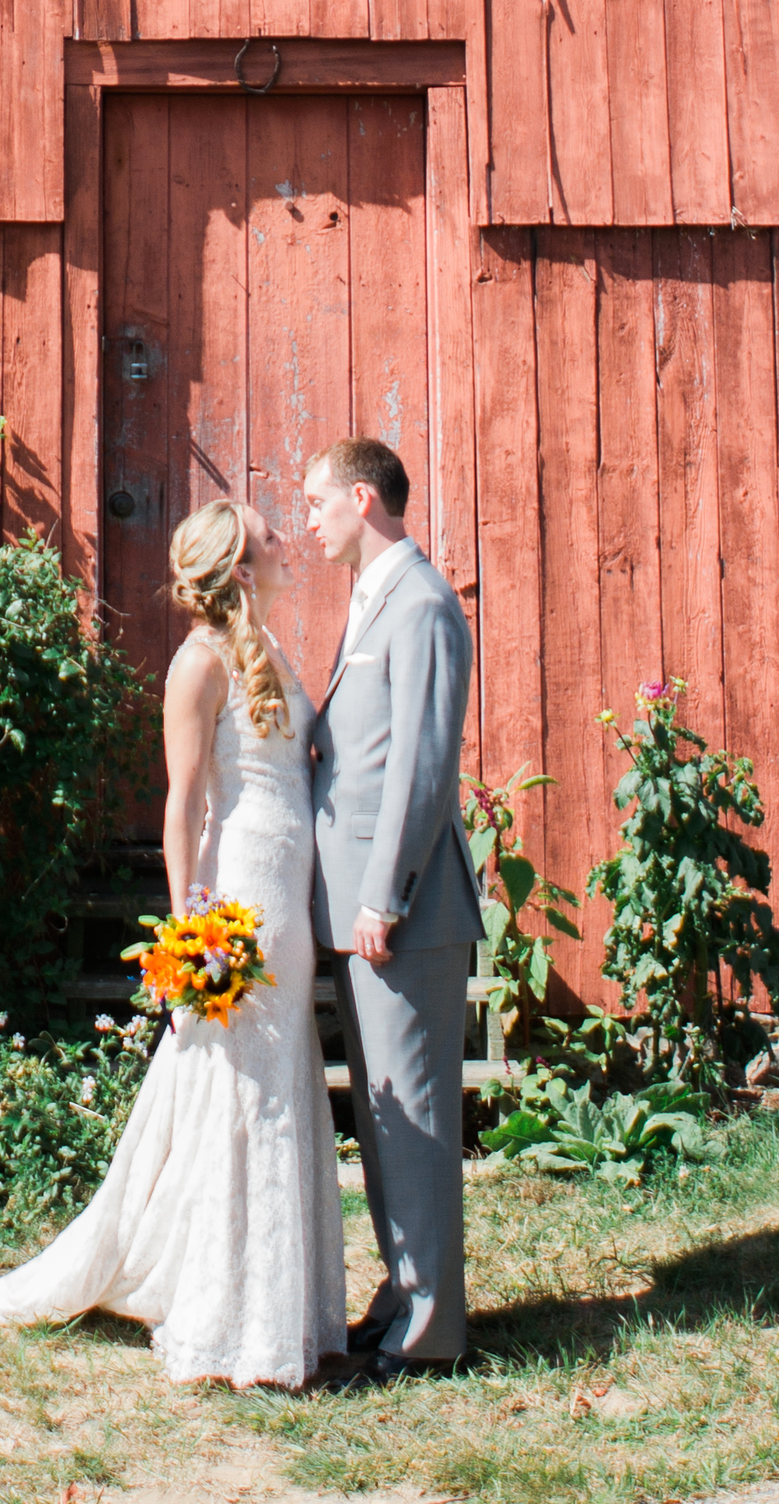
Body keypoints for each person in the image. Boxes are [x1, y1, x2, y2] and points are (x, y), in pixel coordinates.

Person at [0, 498, 346, 1389]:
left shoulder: (270, 652)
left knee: (277, 1082)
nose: (286, 546)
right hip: (240, 891)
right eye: (271, 539)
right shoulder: (197, 665)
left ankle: (285, 1310)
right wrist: (192, 926)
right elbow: (184, 803)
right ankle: (227, 1318)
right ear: (240, 566)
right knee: (239, 1088)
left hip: (289, 890)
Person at [301, 436, 481, 1377]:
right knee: (383, 1121)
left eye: (319, 502)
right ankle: (404, 1292)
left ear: (363, 500)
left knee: (412, 1116)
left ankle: (430, 1335)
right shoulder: (375, 599)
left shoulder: (421, 603)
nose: (310, 519)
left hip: (400, 915)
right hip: (364, 913)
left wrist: (382, 898)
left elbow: (421, 764)